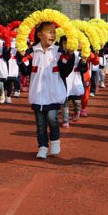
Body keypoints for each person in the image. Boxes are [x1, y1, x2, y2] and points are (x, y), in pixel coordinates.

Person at [18, 22, 75, 159]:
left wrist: (70, 56)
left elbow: (66, 70)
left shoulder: (58, 51)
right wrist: (21, 56)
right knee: (40, 124)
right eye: (49, 31)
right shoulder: (32, 51)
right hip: (37, 94)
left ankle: (55, 140)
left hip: (53, 92)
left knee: (52, 118)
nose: (53, 34)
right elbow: (25, 70)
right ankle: (42, 147)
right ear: (39, 34)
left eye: (54, 32)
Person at [59, 36, 87, 128]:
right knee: (65, 101)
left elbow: (83, 69)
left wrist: (83, 62)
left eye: (69, 43)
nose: (67, 46)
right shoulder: (61, 55)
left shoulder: (78, 54)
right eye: (65, 43)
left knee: (77, 100)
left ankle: (77, 111)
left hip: (76, 80)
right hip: (65, 80)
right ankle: (65, 119)